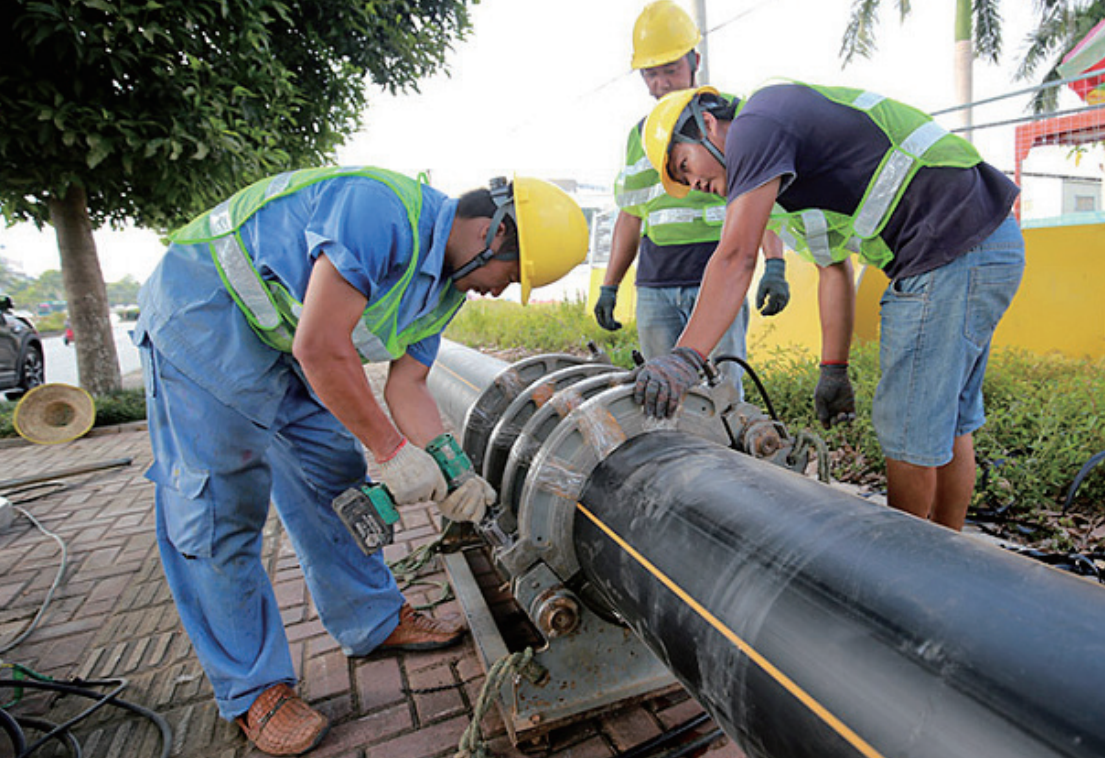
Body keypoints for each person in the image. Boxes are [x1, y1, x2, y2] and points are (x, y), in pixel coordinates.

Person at [132, 166, 587, 756]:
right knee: (219, 505)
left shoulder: (444, 289)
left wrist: (453, 468)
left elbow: (409, 387)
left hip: (284, 336)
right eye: (512, 275)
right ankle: (254, 690)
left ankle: (372, 619)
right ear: (493, 234)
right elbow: (321, 348)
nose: (501, 289)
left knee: (332, 473)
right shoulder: (379, 211)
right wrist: (392, 452)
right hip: (206, 313)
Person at [632, 82, 1025, 532]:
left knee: (909, 429)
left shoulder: (755, 126)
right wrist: (833, 369)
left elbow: (737, 256)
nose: (694, 184)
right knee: (950, 424)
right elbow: (833, 269)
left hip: (950, 246)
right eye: (682, 182)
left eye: (684, 165)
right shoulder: (789, 172)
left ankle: (904, 574)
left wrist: (685, 358)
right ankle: (947, 556)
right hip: (981, 243)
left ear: (706, 123)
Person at [595, 0, 789, 396]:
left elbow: (761, 198)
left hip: (717, 275)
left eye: (670, 70)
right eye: (650, 74)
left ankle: (727, 458)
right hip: (655, 283)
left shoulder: (730, 123)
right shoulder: (641, 138)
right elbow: (630, 217)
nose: (661, 83)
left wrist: (775, 264)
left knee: (722, 396)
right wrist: (609, 285)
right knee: (659, 393)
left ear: (694, 60)